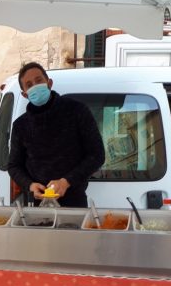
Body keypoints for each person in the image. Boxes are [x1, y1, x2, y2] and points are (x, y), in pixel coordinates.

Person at [7, 62, 105, 208]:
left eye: (39, 80)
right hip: (36, 205)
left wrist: (66, 181)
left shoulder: (77, 111)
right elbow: (14, 166)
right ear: (24, 94)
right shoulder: (21, 126)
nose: (35, 86)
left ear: (49, 83)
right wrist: (30, 185)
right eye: (29, 84)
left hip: (74, 202)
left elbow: (97, 155)